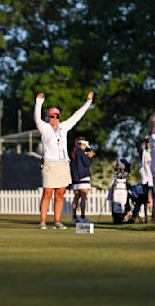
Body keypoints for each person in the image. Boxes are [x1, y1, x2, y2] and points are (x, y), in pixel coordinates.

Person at [35, 91, 93, 230]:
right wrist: (39, 102)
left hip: (63, 164)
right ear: (48, 117)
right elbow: (36, 118)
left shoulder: (64, 127)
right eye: (51, 116)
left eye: (56, 116)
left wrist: (88, 102)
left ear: (59, 117)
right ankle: (42, 221)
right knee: (47, 193)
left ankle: (57, 221)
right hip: (50, 163)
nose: (54, 118)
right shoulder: (44, 127)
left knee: (60, 193)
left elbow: (77, 116)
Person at [70, 137, 96, 223]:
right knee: (83, 198)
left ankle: (74, 217)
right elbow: (87, 163)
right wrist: (89, 157)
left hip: (75, 178)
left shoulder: (74, 152)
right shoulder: (81, 152)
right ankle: (82, 217)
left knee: (76, 198)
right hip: (83, 177)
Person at [139, 136, 154, 216]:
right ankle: (145, 214)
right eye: (146, 142)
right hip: (147, 180)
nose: (148, 143)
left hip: (154, 179)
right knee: (146, 199)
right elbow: (143, 166)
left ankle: (154, 215)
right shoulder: (144, 152)